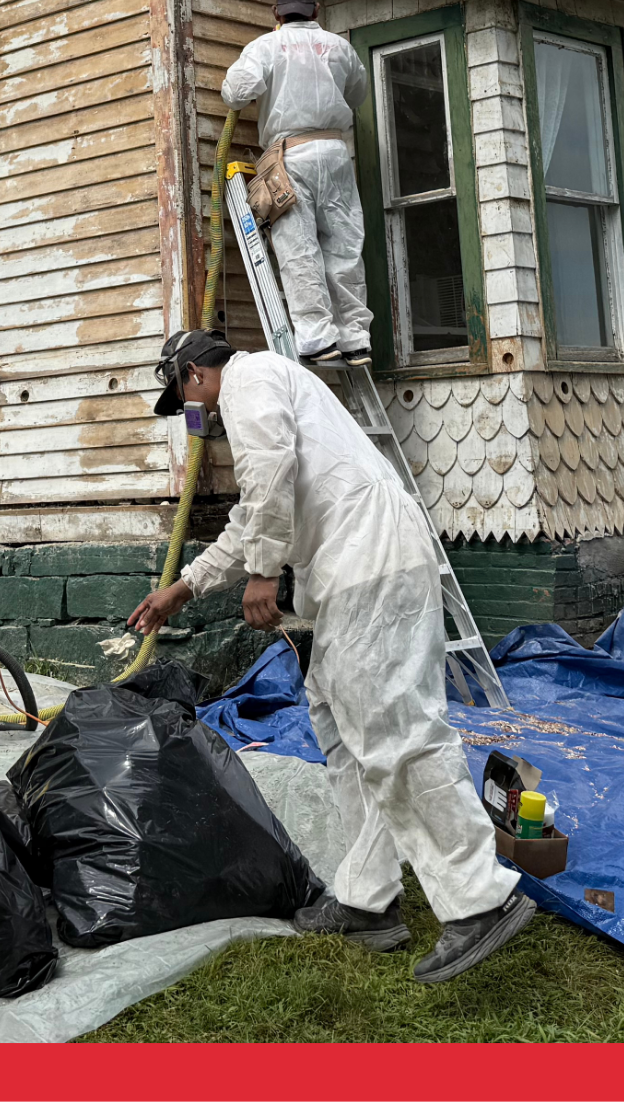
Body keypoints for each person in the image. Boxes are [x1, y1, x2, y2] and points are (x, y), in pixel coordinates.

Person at [130, 329, 535, 985]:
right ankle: (367, 899)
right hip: (355, 571)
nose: (191, 415)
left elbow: (268, 477)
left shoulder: (249, 379)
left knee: (394, 732)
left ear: (192, 373)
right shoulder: (265, 388)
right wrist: (185, 586)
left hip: (370, 566)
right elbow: (251, 514)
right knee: (345, 734)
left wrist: (263, 572)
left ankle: (479, 897)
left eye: (181, 399)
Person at [222, 0, 375, 367]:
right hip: (335, 152)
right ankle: (356, 339)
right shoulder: (339, 46)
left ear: (276, 13)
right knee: (344, 247)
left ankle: (317, 339)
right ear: (316, 11)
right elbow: (357, 94)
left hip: (291, 155)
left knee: (299, 249)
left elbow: (237, 93)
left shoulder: (267, 46)